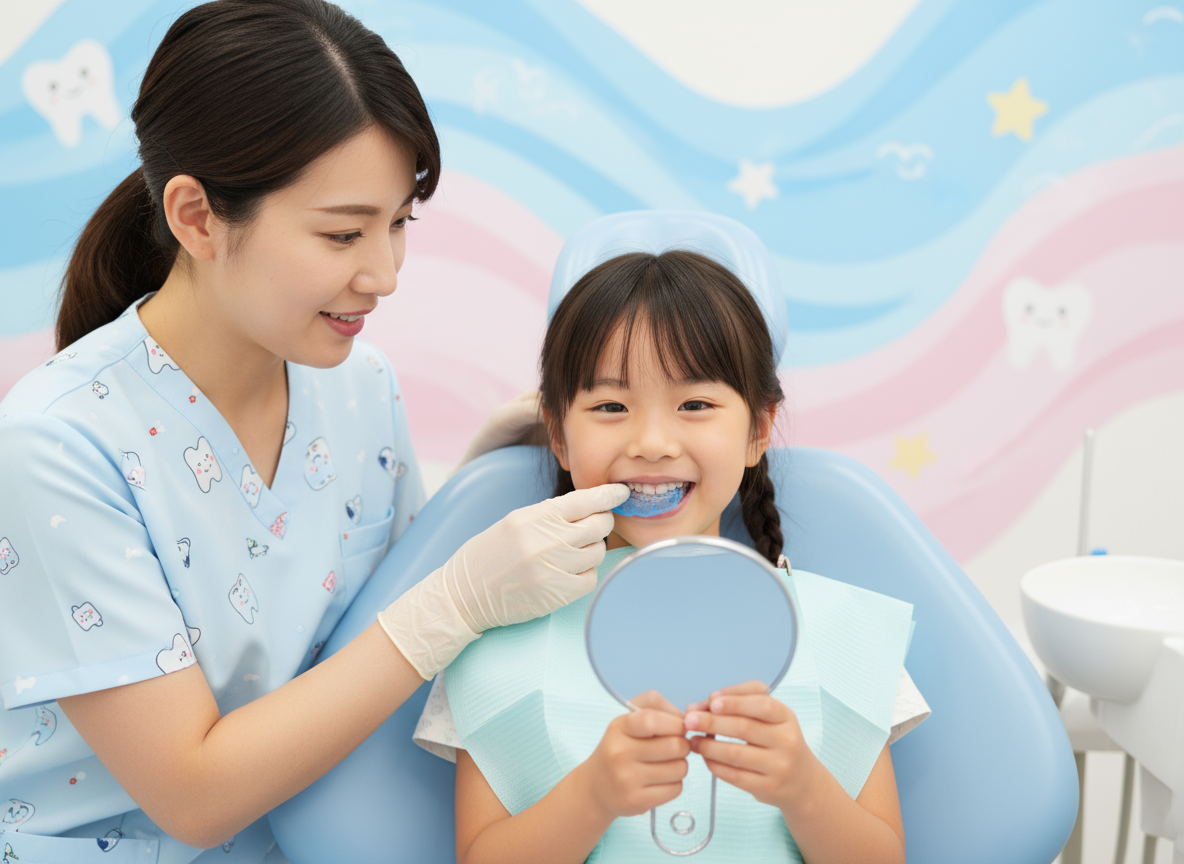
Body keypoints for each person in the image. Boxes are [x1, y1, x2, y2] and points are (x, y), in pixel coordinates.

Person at [0, 2, 626, 861]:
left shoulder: (358, 386)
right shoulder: (56, 446)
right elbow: (193, 795)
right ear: (196, 217)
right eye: (342, 233)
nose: (385, 274)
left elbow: (355, 646)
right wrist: (452, 600)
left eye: (400, 224)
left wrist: (477, 497)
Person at [413, 250, 931, 863]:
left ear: (758, 431)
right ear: (557, 431)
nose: (652, 443)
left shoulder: (841, 634)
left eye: (694, 405)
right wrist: (591, 798)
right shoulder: (493, 640)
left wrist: (803, 790)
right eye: (610, 407)